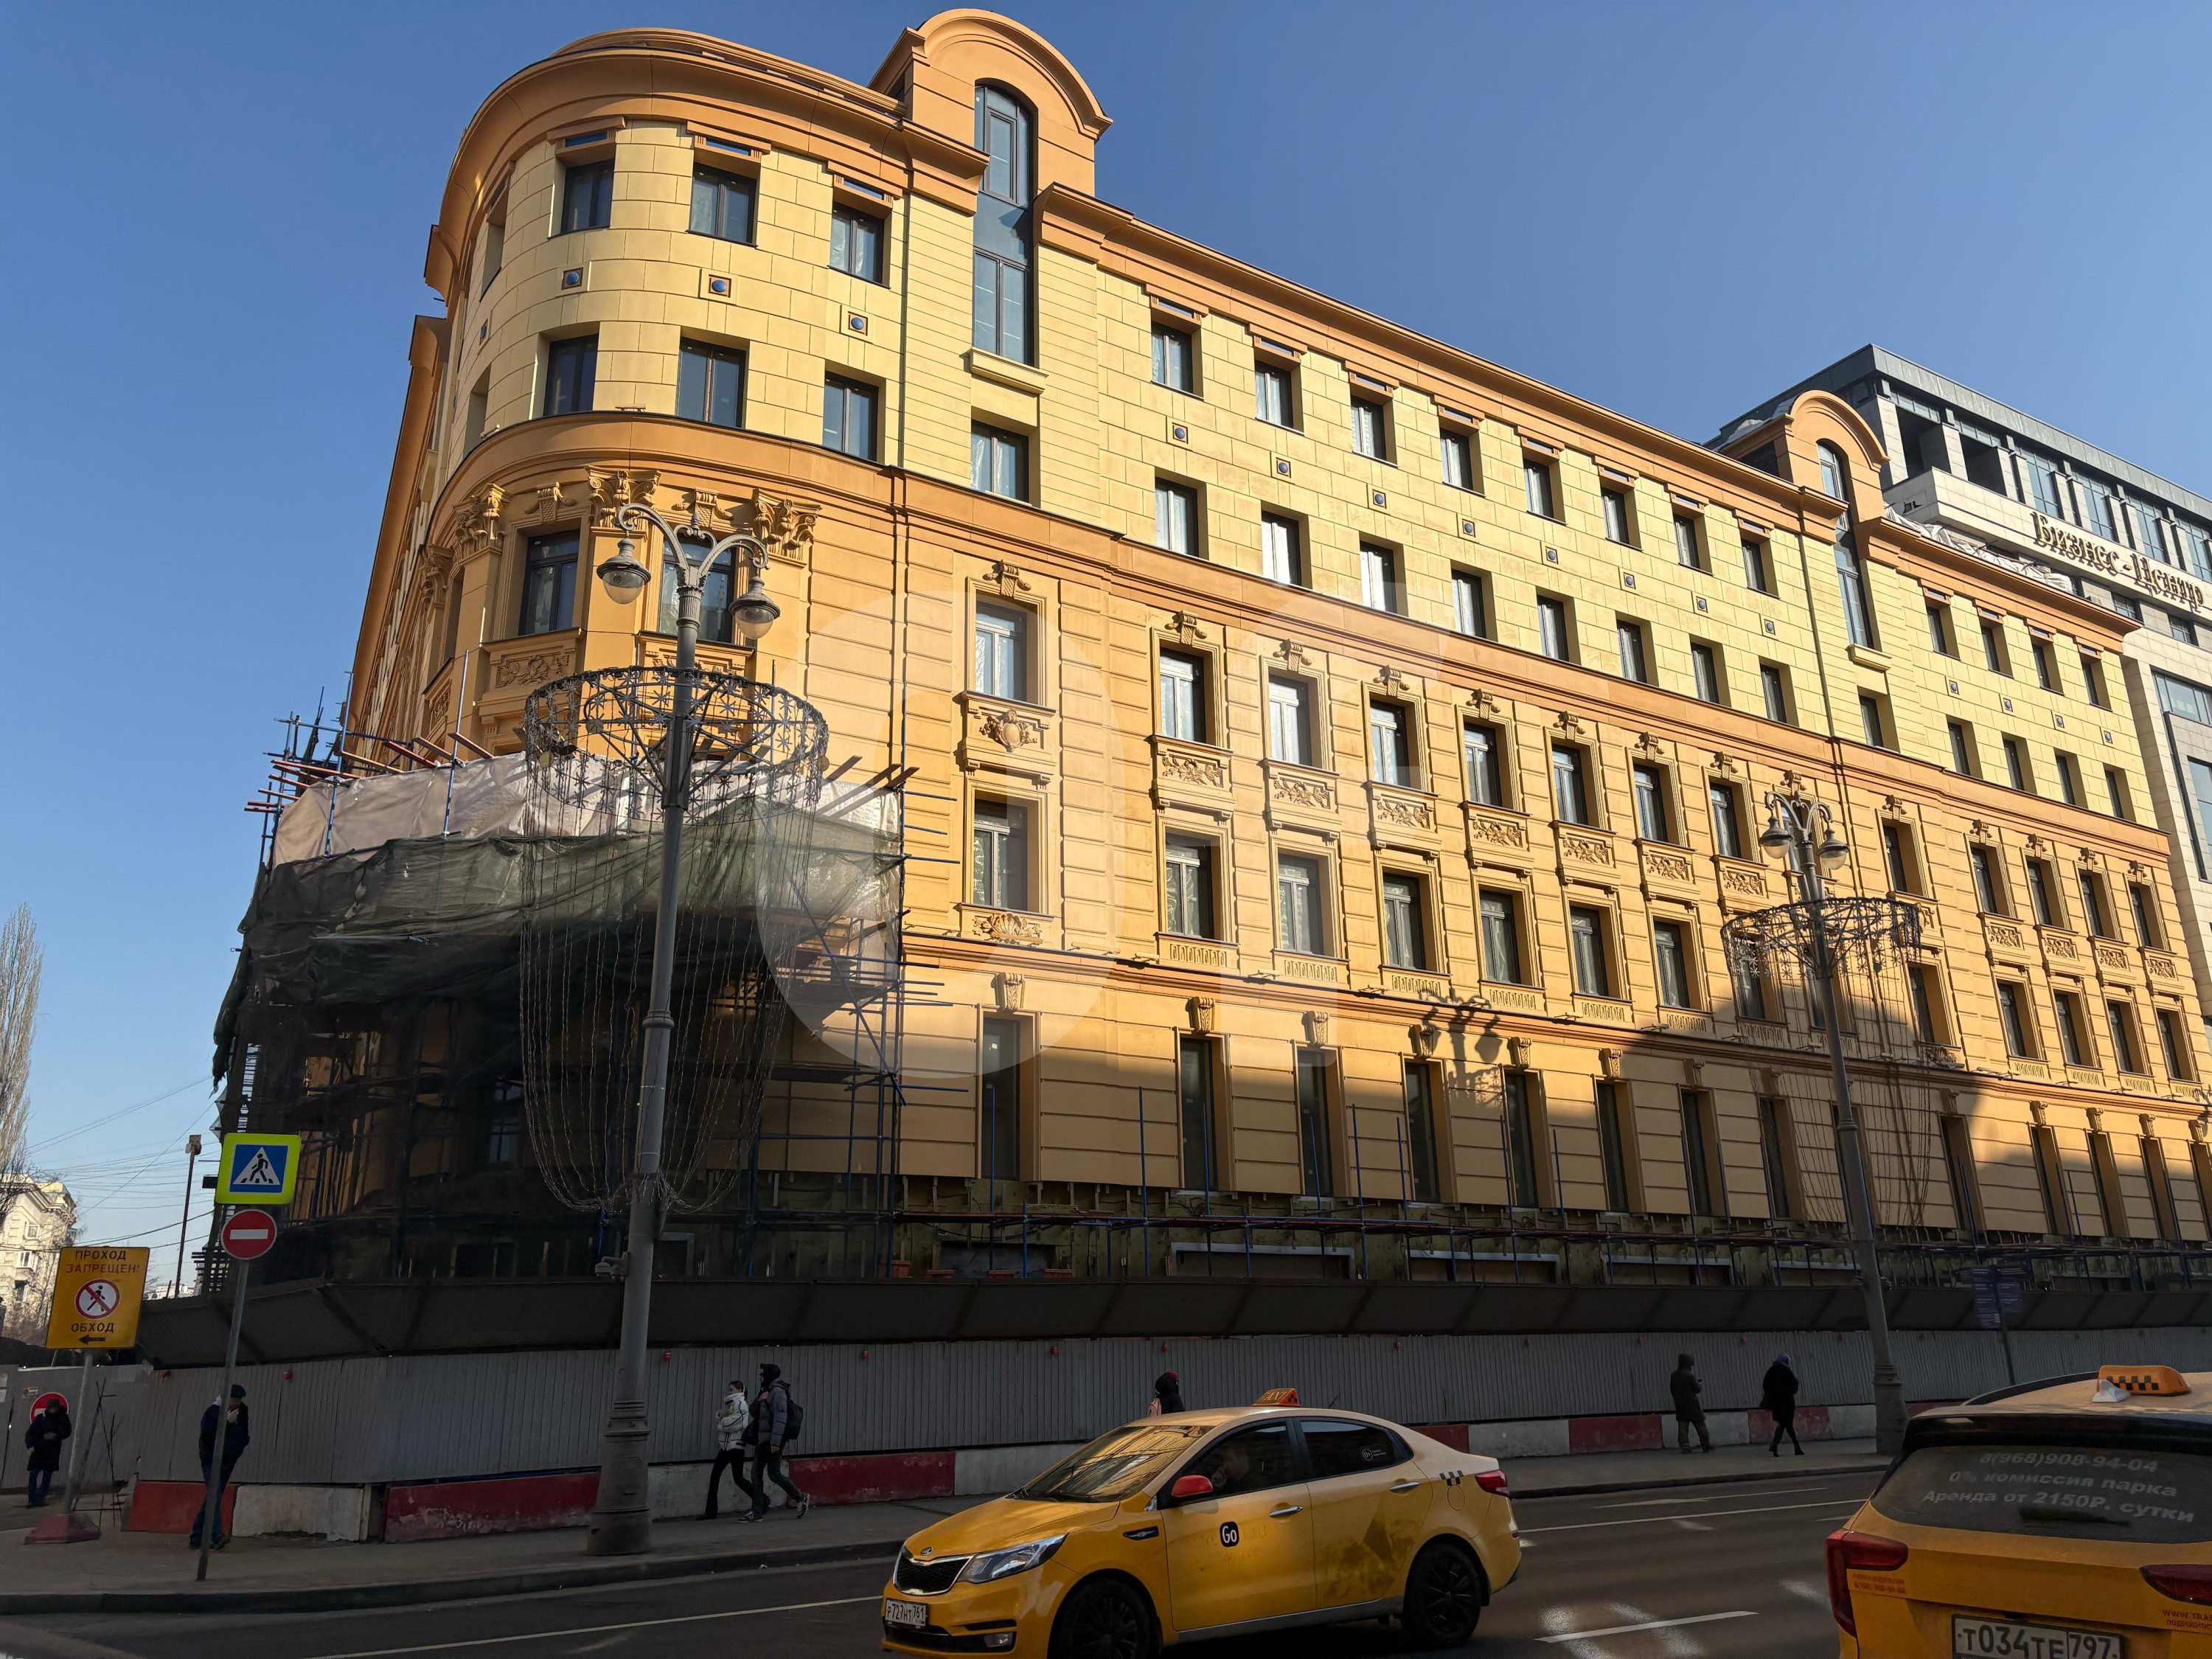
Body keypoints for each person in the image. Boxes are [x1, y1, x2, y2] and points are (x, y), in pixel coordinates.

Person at [744, 1363, 810, 1521]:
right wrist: (760, 1399)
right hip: (762, 1440)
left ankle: (801, 1496)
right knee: (756, 1474)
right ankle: (757, 1512)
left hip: (773, 1441)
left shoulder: (779, 1392)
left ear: (769, 1375)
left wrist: (775, 1442)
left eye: (762, 1375)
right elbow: (753, 1411)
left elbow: (781, 1418)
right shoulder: (766, 1391)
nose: (760, 1377)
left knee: (774, 1474)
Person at [189, 1384, 251, 1549]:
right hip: (211, 1459)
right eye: (234, 1399)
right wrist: (226, 1423)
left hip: (228, 1459)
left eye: (239, 1400)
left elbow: (243, 1433)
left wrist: (237, 1449)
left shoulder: (242, 1411)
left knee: (213, 1496)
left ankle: (197, 1536)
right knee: (214, 1494)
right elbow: (208, 1435)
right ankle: (216, 1535)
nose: (237, 1403)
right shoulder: (213, 1412)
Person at [703, 1377, 755, 1519]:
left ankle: (762, 1499)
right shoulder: (731, 1404)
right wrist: (721, 1417)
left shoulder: (741, 1405)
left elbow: (733, 1424)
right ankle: (711, 1512)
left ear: (740, 1390)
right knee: (724, 1477)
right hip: (727, 1446)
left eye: (731, 1389)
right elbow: (724, 1418)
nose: (729, 1392)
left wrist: (721, 1421)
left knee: (735, 1478)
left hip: (735, 1446)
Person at [23, 1397, 70, 1508]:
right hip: (39, 1450)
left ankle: (40, 1498)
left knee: (46, 1475)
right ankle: (32, 1498)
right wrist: (30, 1445)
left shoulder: (62, 1418)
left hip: (51, 1451)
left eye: (54, 1408)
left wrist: (55, 1435)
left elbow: (67, 1432)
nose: (52, 1410)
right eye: (51, 1408)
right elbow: (30, 1433)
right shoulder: (41, 1418)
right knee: (34, 1474)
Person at [1762, 1354, 1804, 1456]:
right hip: (1787, 1402)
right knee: (1787, 1424)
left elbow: (1765, 1385)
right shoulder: (1787, 1371)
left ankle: (1777, 1445)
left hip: (1776, 1403)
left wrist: (1772, 1396)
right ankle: (1795, 1447)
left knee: (1783, 1424)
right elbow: (1794, 1386)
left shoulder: (1771, 1371)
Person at [1669, 1353, 1711, 1454]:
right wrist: (1699, 1383)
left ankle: (1685, 1446)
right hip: (1693, 1405)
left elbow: (1672, 1390)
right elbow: (1697, 1390)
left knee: (1683, 1427)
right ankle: (1705, 1445)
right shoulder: (1690, 1376)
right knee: (1701, 1425)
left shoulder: (1674, 1375)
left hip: (1680, 1405)